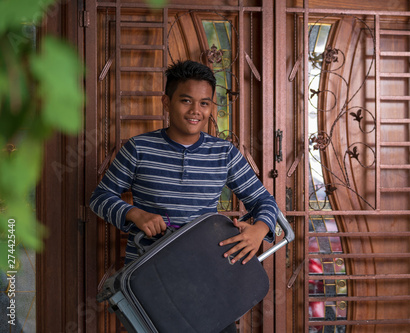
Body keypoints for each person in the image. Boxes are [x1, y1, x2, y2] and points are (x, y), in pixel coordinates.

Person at [89, 60, 278, 332]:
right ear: (166, 102)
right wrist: (134, 213)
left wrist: (259, 230)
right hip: (150, 280)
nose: (195, 111)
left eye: (204, 103)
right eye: (186, 101)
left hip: (212, 277)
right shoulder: (137, 149)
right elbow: (100, 197)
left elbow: (264, 201)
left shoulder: (224, 153)